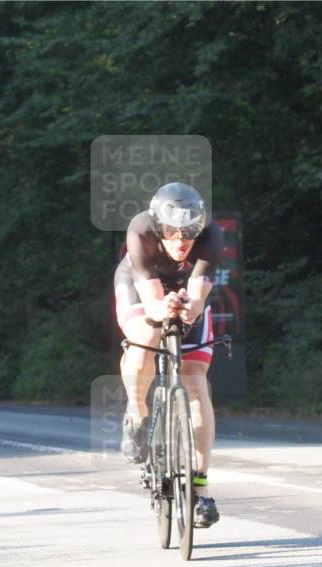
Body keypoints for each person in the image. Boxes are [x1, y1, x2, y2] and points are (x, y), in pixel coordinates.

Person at [114, 182, 223, 527]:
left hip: (184, 289)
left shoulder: (212, 235)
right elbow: (151, 302)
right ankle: (136, 412)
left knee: (195, 382)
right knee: (148, 333)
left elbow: (198, 294)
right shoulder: (140, 230)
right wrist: (164, 308)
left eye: (188, 235)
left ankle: (201, 486)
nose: (180, 241)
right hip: (139, 285)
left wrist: (188, 308)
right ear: (158, 227)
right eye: (172, 233)